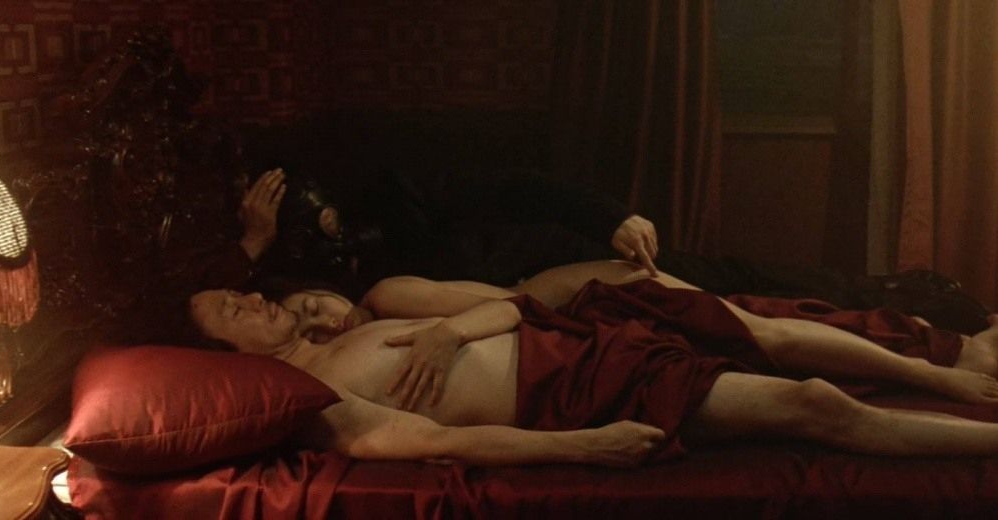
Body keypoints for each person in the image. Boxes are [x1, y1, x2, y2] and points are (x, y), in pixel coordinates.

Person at [188, 261, 998, 466]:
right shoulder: (313, 395)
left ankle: (948, 364)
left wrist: (449, 335)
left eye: (241, 289)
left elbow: (512, 304)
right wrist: (579, 446)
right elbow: (437, 442)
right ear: (221, 359)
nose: (250, 298)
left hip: (588, 339)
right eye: (231, 309)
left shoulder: (367, 316)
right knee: (814, 403)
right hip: (585, 390)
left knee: (776, 335)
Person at [172, 167, 661, 300]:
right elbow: (201, 306)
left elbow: (511, 187)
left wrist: (611, 218)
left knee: (681, 281)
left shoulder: (391, 196)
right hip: (526, 314)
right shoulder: (289, 289)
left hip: (566, 259)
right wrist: (253, 245)